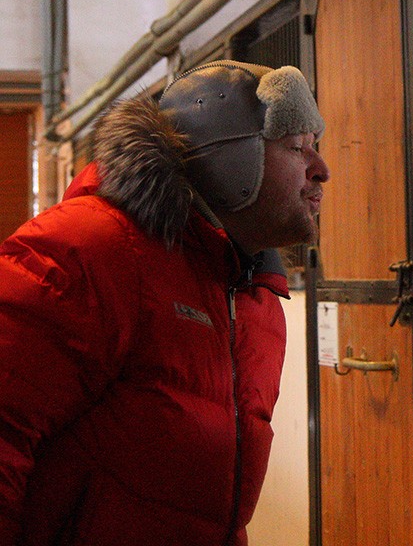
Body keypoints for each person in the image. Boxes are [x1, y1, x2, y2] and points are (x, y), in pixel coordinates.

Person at [0, 60, 329, 545]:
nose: (321, 169)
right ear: (233, 160)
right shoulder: (88, 249)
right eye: (298, 147)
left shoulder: (255, 292)